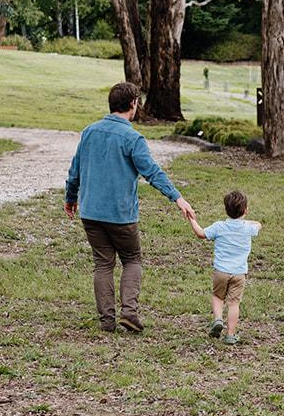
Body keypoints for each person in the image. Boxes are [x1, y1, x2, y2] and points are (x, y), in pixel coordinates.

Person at [65, 81, 195, 333]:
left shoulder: (89, 131)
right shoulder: (133, 138)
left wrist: (70, 197)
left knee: (103, 264)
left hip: (91, 213)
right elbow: (152, 172)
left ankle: (106, 321)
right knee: (132, 259)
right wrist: (177, 198)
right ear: (133, 104)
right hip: (120, 215)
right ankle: (130, 313)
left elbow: (75, 170)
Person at [188, 188, 261, 346]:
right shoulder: (248, 228)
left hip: (220, 271)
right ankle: (230, 334)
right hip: (239, 273)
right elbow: (258, 225)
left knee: (218, 297)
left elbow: (201, 234)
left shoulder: (219, 226)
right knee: (234, 303)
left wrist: (192, 220)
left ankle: (218, 319)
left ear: (226, 210)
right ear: (246, 210)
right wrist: (244, 221)